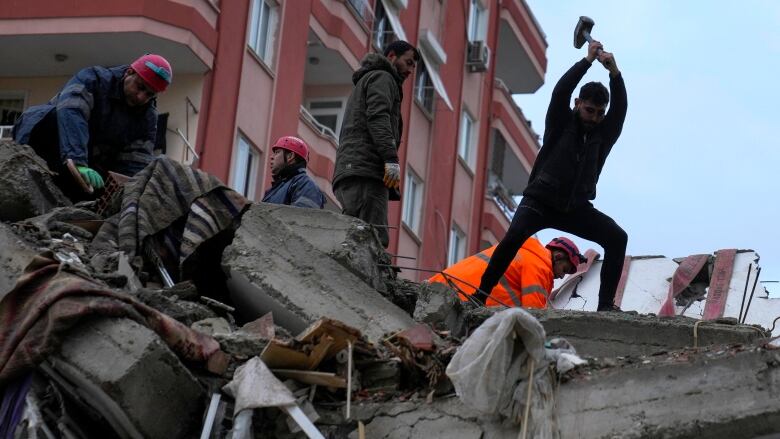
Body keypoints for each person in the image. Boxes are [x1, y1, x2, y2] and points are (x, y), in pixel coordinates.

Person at [477, 40, 628, 312]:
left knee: (617, 238)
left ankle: (605, 306)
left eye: (599, 113)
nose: (593, 118)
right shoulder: (560, 122)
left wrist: (614, 73)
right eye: (589, 110)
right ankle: (480, 294)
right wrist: (587, 61)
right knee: (512, 240)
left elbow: (620, 112)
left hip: (576, 207)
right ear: (577, 104)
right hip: (540, 200)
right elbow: (561, 91)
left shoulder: (604, 135)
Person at [13, 54, 172, 197]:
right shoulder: (93, 79)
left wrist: (123, 194)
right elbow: (72, 112)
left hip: (89, 162)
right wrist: (77, 160)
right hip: (46, 140)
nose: (141, 97)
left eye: (149, 94)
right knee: (56, 117)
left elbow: (136, 160)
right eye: (140, 87)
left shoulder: (147, 119)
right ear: (129, 72)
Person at [332, 40, 419, 248]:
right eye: (407, 62)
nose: (409, 70)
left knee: (355, 235)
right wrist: (390, 159)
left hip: (355, 170)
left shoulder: (372, 79)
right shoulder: (383, 78)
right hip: (366, 172)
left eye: (413, 66)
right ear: (391, 57)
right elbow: (378, 118)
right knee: (372, 240)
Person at [429, 237, 584, 309]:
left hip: (438, 288)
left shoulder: (520, 249)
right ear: (557, 257)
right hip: (458, 301)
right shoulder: (539, 267)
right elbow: (534, 315)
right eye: (564, 269)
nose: (562, 276)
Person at [261, 136, 325, 208]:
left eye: (277, 152)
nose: (271, 157)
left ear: (290, 156)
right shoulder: (272, 191)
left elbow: (304, 216)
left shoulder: (306, 185)